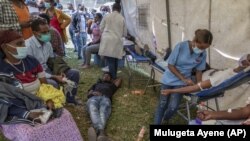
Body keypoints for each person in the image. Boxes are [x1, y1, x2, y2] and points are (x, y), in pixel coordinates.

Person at [154, 29, 213, 124]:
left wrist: (199, 85)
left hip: (181, 83)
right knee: (162, 104)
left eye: (205, 48)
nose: (202, 50)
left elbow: (199, 71)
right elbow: (170, 65)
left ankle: (164, 118)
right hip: (169, 79)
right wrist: (184, 79)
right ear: (195, 40)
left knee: (173, 107)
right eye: (201, 47)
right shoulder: (181, 46)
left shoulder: (202, 53)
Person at [0, 30, 53, 124]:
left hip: (38, 101)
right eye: (19, 44)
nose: (23, 47)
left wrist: (48, 99)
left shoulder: (32, 61)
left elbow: (44, 84)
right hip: (14, 109)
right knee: (30, 132)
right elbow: (3, 99)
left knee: (64, 117)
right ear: (4, 47)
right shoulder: (2, 69)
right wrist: (26, 114)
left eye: (23, 42)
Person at [25, 18, 81, 105]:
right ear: (35, 33)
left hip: (47, 70)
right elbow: (33, 71)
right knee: (53, 83)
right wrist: (54, 76)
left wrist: (60, 71)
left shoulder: (47, 44)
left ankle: (70, 99)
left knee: (74, 73)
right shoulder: (28, 46)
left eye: (48, 31)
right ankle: (55, 103)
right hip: (35, 74)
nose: (47, 34)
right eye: (44, 32)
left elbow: (52, 62)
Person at [161, 54, 250, 96]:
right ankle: (167, 56)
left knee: (182, 65)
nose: (245, 57)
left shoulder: (224, 77)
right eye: (247, 56)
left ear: (247, 64)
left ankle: (164, 58)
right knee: (195, 58)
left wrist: (171, 91)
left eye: (248, 59)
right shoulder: (235, 72)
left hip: (196, 78)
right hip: (207, 70)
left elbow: (195, 87)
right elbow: (225, 72)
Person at [87, 72, 122, 141]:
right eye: (104, 76)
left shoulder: (112, 85)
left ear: (111, 79)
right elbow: (88, 94)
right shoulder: (96, 84)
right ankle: (101, 133)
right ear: (102, 77)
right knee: (93, 110)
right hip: (93, 97)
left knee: (103, 112)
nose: (106, 77)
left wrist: (113, 79)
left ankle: (98, 132)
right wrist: (93, 93)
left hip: (105, 98)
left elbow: (120, 79)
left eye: (108, 76)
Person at [98, 2, 127, 79]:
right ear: (120, 10)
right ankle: (113, 77)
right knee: (114, 59)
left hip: (107, 40)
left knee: (110, 60)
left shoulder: (106, 16)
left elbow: (101, 28)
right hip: (116, 40)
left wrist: (106, 32)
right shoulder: (122, 18)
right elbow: (125, 33)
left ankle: (113, 77)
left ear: (112, 9)